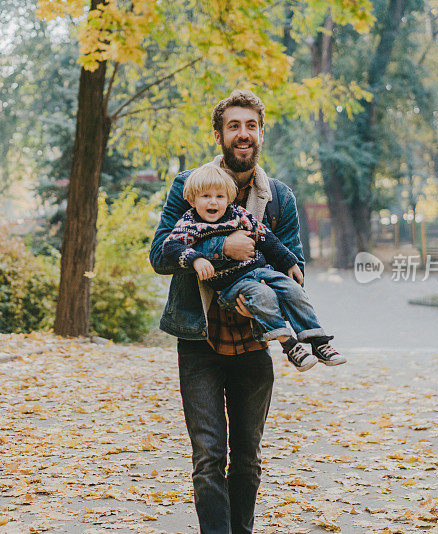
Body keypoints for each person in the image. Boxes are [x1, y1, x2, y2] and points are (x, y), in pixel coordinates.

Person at [149, 89, 311, 533]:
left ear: (261, 133)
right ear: (218, 134)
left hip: (253, 344)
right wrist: (222, 245)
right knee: (207, 459)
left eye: (251, 126)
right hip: (199, 341)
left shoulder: (279, 198)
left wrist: (264, 293)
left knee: (247, 459)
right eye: (234, 126)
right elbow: (160, 256)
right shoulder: (190, 186)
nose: (243, 134)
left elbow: (295, 267)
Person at [162, 163, 345, 371]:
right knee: (262, 295)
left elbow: (265, 237)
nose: (213, 202)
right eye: (206, 196)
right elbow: (170, 247)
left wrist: (289, 261)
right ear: (192, 200)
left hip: (260, 270)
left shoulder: (237, 214)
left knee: (292, 289)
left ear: (228, 198)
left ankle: (318, 341)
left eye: (220, 197)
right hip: (232, 285)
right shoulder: (190, 224)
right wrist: (196, 259)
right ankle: (290, 346)